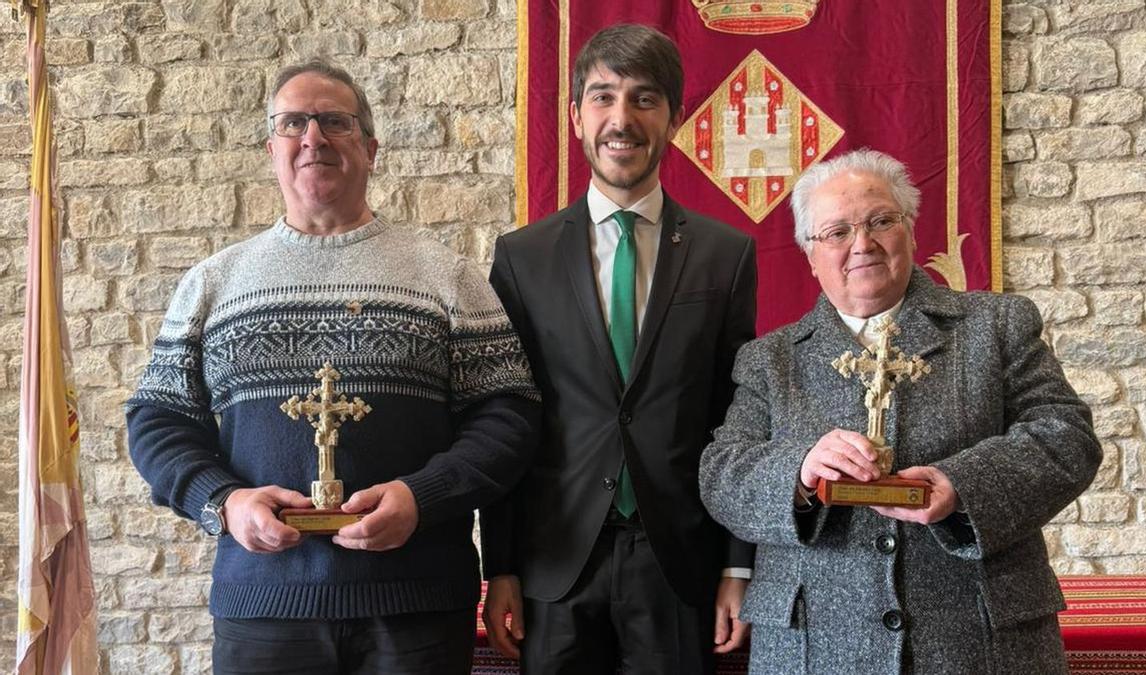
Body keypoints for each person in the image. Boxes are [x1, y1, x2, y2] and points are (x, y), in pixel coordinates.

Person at [126, 60, 540, 675]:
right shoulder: (214, 284)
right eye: (293, 123)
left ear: (370, 148)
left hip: (417, 608)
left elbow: (509, 417)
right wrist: (226, 501)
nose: (312, 138)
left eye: (334, 122)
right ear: (272, 149)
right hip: (264, 610)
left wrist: (420, 498)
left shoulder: (444, 276)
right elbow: (158, 421)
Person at [698, 149, 1101, 674]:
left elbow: (1067, 437)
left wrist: (962, 484)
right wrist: (799, 469)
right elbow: (722, 474)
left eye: (880, 221)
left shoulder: (997, 325)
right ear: (810, 255)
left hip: (978, 641)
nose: (861, 244)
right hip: (813, 646)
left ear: (911, 231)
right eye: (836, 232)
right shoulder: (769, 360)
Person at [480, 23, 757, 674]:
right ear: (576, 116)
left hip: (679, 562)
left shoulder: (727, 254)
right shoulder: (522, 258)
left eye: (644, 98)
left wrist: (737, 563)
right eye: (603, 97)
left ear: (675, 118)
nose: (621, 118)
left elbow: (740, 416)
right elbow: (507, 416)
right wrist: (502, 567)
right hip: (557, 563)